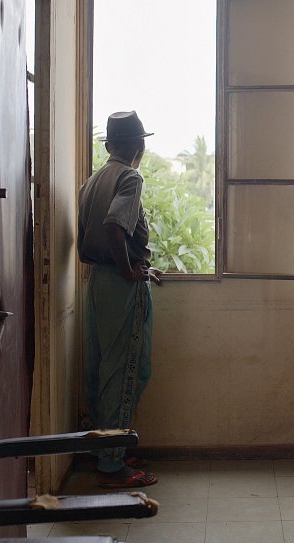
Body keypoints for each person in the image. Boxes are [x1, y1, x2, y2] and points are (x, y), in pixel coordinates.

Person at [78, 110, 163, 488]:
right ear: (137, 146)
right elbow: (115, 226)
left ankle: (106, 449)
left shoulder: (94, 180)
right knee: (128, 370)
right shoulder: (129, 176)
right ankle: (112, 465)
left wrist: (137, 267)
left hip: (98, 283)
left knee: (103, 369)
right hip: (120, 284)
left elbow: (93, 234)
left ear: (109, 145)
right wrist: (132, 270)